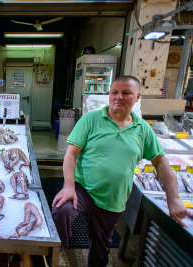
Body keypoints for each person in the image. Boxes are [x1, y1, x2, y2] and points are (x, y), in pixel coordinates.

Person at [51, 76, 187, 267]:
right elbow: (71, 154)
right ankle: (58, 250)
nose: (119, 97)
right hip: (82, 188)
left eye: (126, 93)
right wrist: (68, 186)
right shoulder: (91, 120)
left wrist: (173, 199)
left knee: (100, 248)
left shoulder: (143, 130)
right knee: (61, 211)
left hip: (112, 198)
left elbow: (161, 163)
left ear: (137, 97)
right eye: (114, 92)